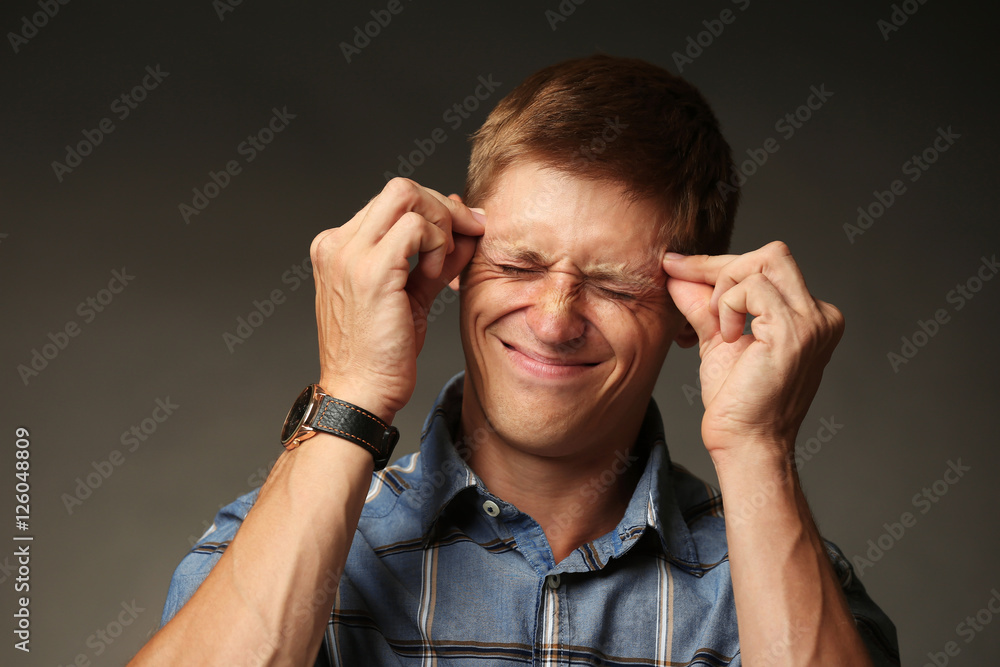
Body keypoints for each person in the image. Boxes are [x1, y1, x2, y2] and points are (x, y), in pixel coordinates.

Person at [132, 54, 899, 665]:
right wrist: (352, 393)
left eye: (612, 284)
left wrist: (759, 447)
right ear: (459, 259)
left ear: (689, 309)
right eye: (520, 264)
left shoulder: (785, 576)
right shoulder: (272, 543)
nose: (555, 319)